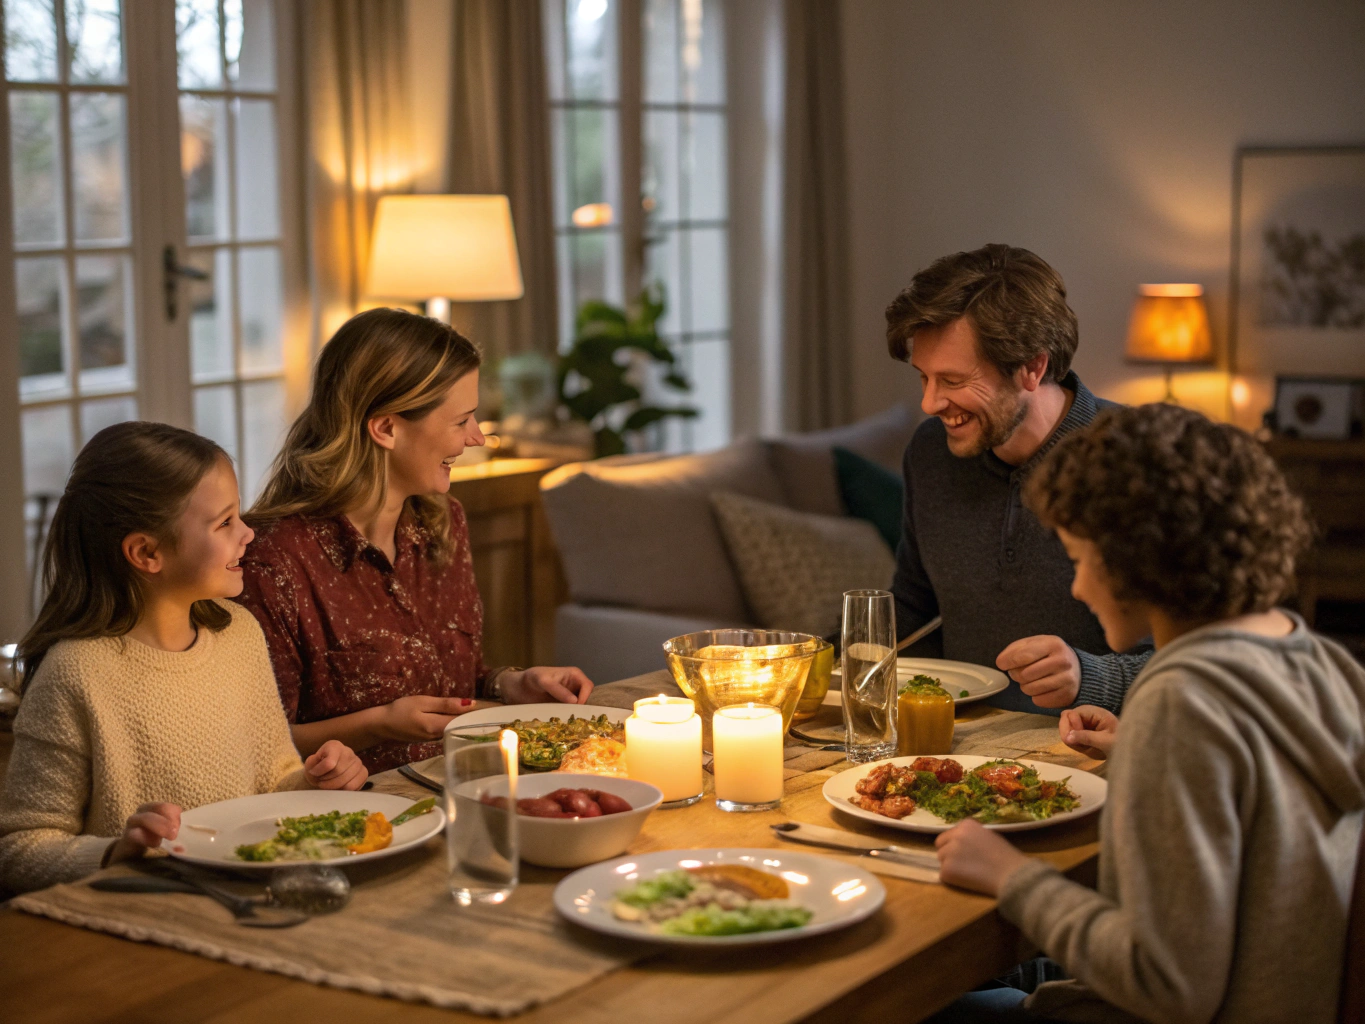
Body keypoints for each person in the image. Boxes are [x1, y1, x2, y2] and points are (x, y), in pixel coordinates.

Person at [933, 403, 1365, 1023]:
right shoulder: (1319, 658)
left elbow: (1166, 984)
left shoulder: (1181, 700)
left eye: (1080, 561)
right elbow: (1269, 796)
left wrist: (1011, 877)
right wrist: (1140, 750)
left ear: (1138, 557)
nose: (1078, 587)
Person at [0, 423, 367, 895]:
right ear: (146, 552)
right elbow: (18, 851)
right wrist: (114, 852)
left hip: (249, 902)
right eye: (225, 522)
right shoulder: (76, 673)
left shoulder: (239, 635)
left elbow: (273, 783)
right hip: (146, 920)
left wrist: (316, 782)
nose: (248, 533)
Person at [237, 308, 594, 774]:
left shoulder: (443, 522)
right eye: (461, 420)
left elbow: (454, 680)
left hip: (464, 785)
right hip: (358, 809)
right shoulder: (273, 561)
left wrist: (510, 684)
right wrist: (379, 724)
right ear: (386, 428)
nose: (476, 437)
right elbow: (259, 746)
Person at [886, 244, 1152, 715]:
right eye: (924, 377)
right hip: (957, 746)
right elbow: (912, 608)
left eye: (952, 380)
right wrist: (812, 660)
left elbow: (1206, 660)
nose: (929, 403)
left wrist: (1091, 677)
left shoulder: (1145, 462)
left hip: (1089, 746)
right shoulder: (930, 453)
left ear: (1033, 366)